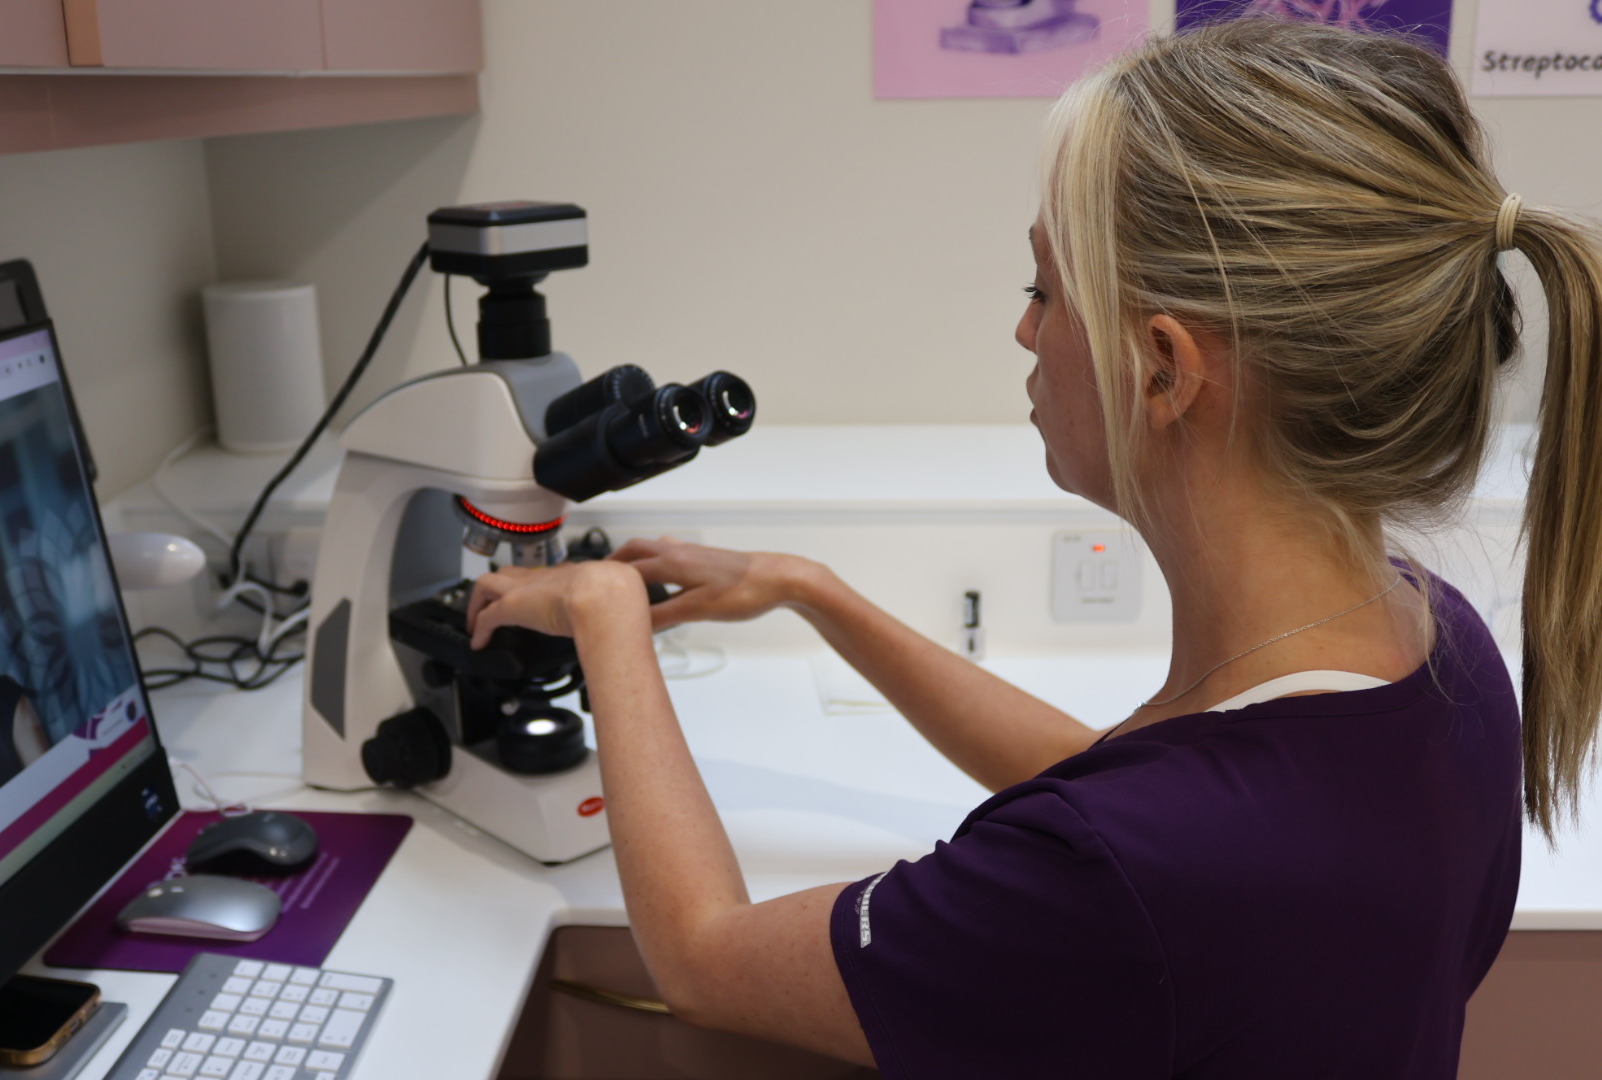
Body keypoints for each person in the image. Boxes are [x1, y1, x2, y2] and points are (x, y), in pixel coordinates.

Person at [466, 17, 1602, 1077]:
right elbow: (1124, 786)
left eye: (1045, 288)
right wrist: (818, 594)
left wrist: (609, 623)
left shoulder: (1133, 869)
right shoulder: (1431, 645)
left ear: (1164, 368)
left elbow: (706, 960)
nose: (1024, 328)